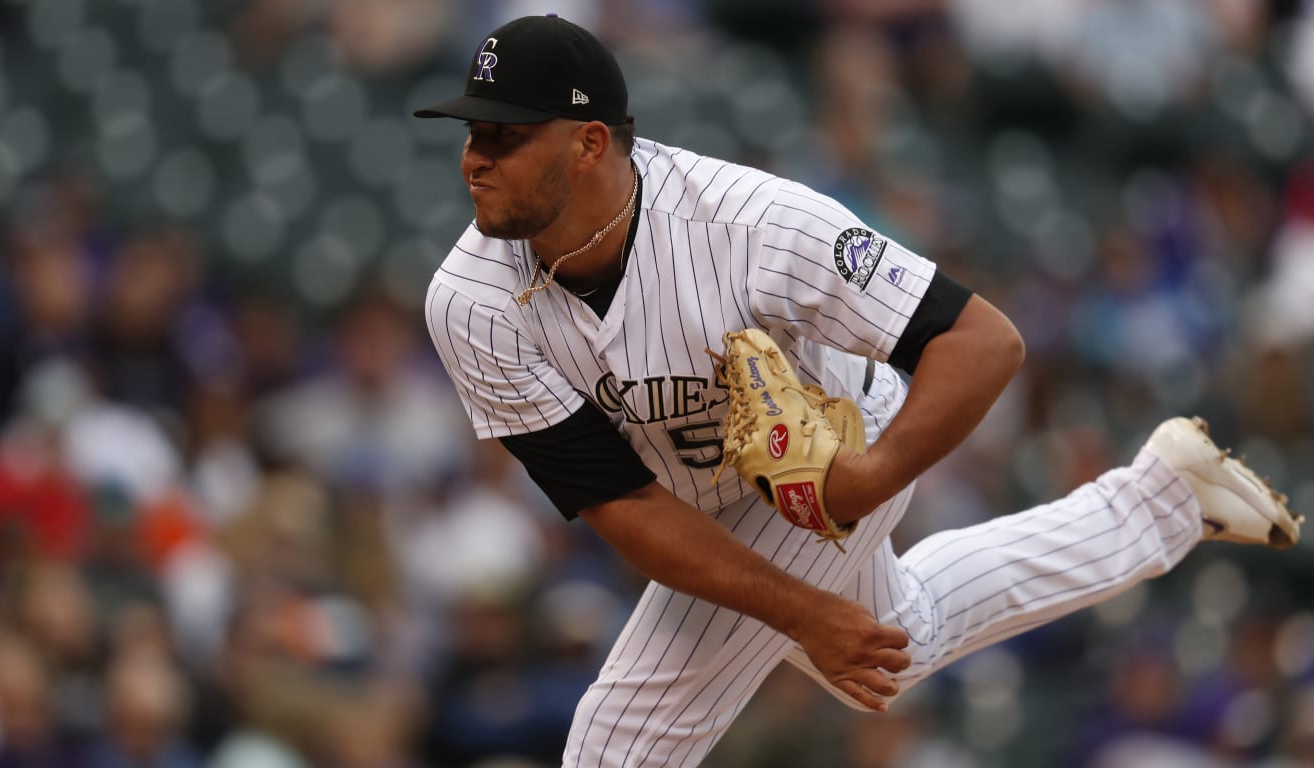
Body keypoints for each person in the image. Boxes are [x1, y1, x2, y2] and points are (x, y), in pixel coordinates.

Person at [413, 14, 1305, 766]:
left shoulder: (751, 224)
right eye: (471, 132)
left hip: (837, 450)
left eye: (504, 136)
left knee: (619, 742)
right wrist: (808, 614)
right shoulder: (469, 303)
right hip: (696, 497)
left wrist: (866, 481)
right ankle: (1164, 500)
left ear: (589, 143)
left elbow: (983, 341)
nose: (474, 159)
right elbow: (625, 505)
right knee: (896, 641)